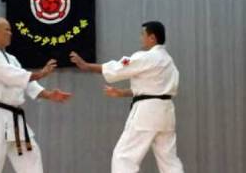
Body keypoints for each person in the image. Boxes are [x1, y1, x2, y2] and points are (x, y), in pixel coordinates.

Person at [70, 21, 185, 173]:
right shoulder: (169, 61)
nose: (140, 38)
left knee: (124, 156)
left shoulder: (147, 57)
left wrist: (87, 66)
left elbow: (118, 68)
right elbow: (153, 89)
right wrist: (121, 93)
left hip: (147, 113)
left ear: (152, 38)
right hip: (166, 113)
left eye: (142, 34)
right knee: (169, 160)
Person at [0, 17, 71, 173]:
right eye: (6, 30)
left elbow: (27, 83)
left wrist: (49, 94)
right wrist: (41, 73)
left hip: (15, 118)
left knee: (30, 155)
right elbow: (11, 76)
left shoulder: (11, 59)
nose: (10, 33)